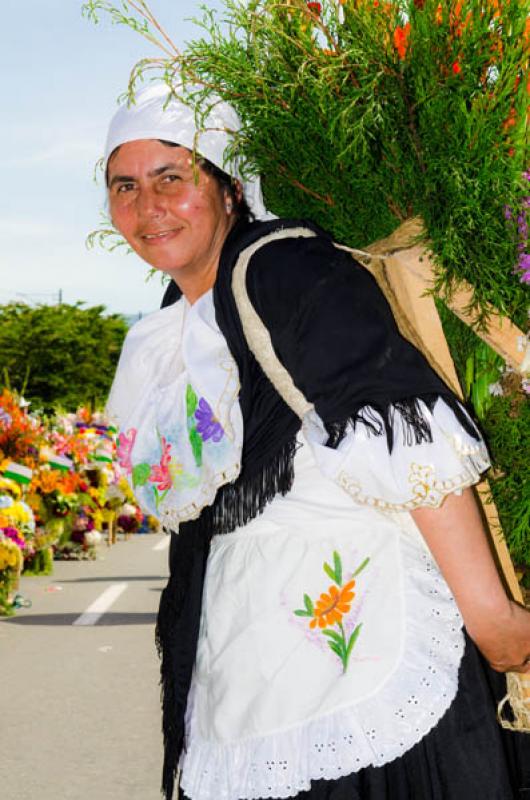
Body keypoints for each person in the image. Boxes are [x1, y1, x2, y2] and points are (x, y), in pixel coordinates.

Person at [105, 83, 530, 800]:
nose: (149, 207)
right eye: (125, 186)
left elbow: (402, 422)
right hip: (254, 670)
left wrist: (495, 621)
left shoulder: (282, 266)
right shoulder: (176, 316)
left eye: (172, 177)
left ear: (229, 188)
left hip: (365, 655)